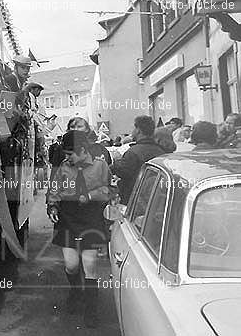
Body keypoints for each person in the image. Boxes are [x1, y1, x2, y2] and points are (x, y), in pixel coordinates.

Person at [47, 130, 114, 328]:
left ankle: (91, 311)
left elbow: (111, 189)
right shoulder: (64, 167)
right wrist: (52, 206)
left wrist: (91, 196)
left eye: (70, 154)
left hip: (91, 218)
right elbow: (54, 191)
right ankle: (76, 291)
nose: (66, 158)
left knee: (90, 264)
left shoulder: (101, 166)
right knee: (71, 264)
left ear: (83, 150)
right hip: (67, 217)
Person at [111, 115, 166, 204]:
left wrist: (116, 163)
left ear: (138, 130)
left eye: (134, 128)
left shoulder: (133, 152)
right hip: (156, 199)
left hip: (134, 199)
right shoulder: (161, 151)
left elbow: (123, 171)